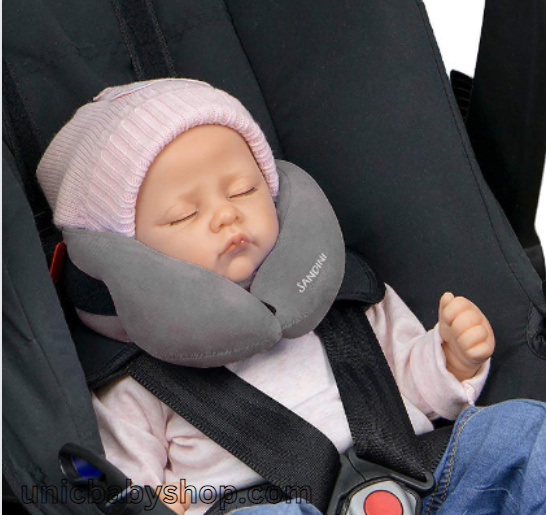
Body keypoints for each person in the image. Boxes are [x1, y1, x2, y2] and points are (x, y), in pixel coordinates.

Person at [36, 78, 544, 515]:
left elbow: (415, 388)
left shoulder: (344, 298)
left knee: (522, 429)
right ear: (123, 256)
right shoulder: (135, 381)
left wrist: (451, 359)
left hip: (421, 477)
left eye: (242, 190)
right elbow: (135, 486)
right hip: (265, 501)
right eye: (183, 215)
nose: (226, 215)